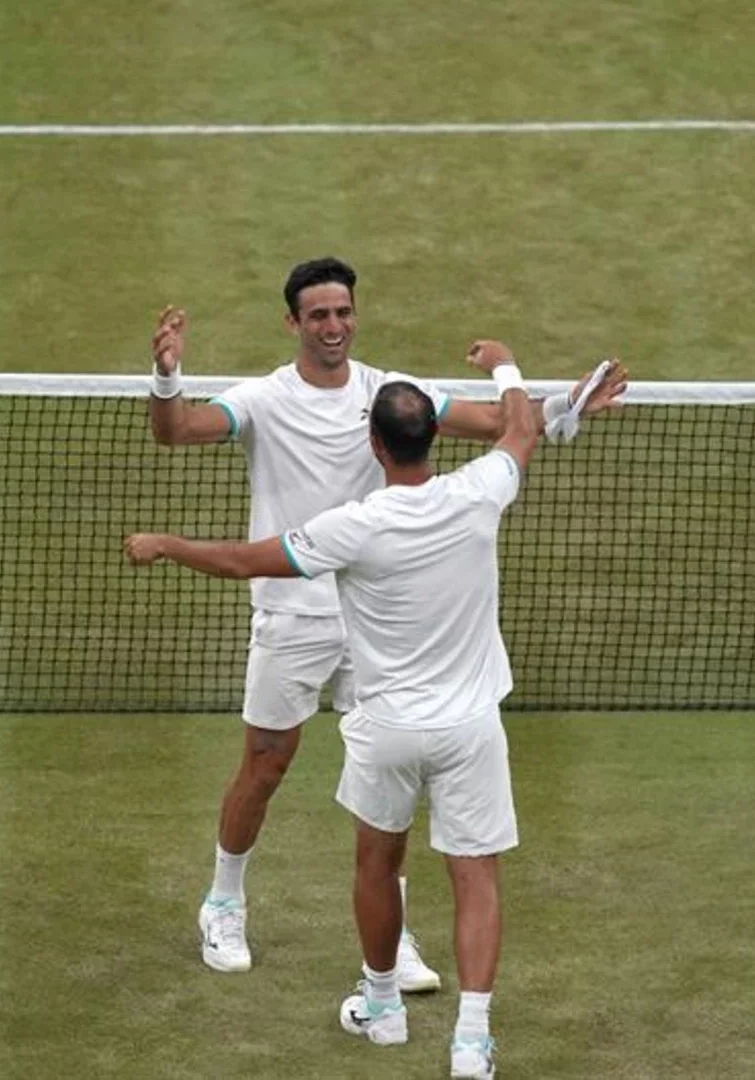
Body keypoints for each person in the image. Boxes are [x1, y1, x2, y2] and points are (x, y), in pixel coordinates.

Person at [148, 258, 625, 980]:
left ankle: (391, 938)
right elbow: (177, 431)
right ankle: (223, 899)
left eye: (343, 312)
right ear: (293, 323)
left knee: (386, 781)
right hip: (293, 610)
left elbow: (500, 424)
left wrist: (564, 407)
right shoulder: (265, 399)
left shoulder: (387, 394)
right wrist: (167, 375)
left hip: (373, 620)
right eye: (319, 316)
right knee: (266, 762)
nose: (334, 327)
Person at [127, 338, 536, 1080]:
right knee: (476, 875)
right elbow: (520, 429)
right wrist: (505, 364)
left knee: (375, 865)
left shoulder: (351, 528)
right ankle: (472, 1044)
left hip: (387, 731)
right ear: (430, 438)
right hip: (472, 728)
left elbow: (244, 560)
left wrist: (167, 543)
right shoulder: (481, 491)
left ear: (374, 444)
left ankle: (381, 1008)